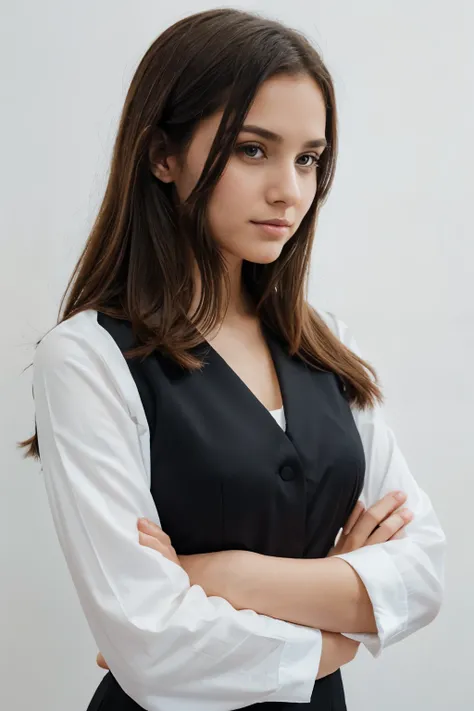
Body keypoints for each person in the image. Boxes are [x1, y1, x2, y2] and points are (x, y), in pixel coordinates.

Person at [18, 8, 446, 711]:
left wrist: (216, 574)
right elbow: (152, 646)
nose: (290, 189)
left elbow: (421, 574)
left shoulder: (326, 344)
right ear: (162, 154)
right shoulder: (88, 358)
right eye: (254, 149)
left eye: (309, 157)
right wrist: (339, 618)